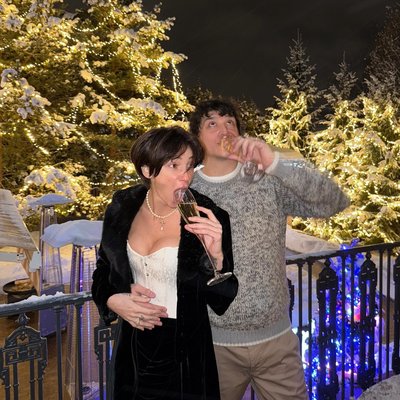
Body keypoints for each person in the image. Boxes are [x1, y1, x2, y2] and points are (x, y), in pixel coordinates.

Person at [189, 99, 350, 400]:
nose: (224, 130)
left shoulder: (267, 181)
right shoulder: (187, 191)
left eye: (230, 122)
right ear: (197, 138)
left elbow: (334, 201)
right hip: (213, 346)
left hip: (276, 343)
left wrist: (276, 162)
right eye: (212, 124)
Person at [91, 126, 238, 400]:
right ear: (148, 170)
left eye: (190, 166)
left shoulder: (207, 216)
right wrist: (112, 300)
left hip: (184, 356)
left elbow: (222, 300)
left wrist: (217, 257)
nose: (186, 176)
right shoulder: (122, 206)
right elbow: (103, 271)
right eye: (174, 165)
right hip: (132, 348)